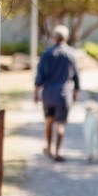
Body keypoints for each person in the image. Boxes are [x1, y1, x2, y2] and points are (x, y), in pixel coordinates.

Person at [34, 24, 80, 162]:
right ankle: (57, 152)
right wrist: (76, 91)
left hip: (48, 94)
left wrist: (36, 92)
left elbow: (39, 75)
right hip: (63, 94)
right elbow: (76, 76)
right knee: (60, 124)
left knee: (49, 121)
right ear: (65, 38)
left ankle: (48, 148)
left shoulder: (46, 54)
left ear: (54, 38)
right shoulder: (71, 54)